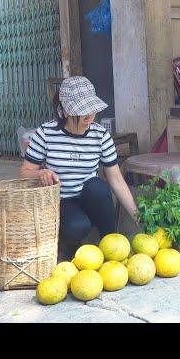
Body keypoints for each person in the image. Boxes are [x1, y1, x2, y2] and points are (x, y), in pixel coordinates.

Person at [19, 76, 139, 257]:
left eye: (91, 109)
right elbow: (24, 173)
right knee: (77, 226)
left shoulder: (101, 135)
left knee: (97, 186)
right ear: (65, 111)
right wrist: (41, 173)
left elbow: (116, 180)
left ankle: (113, 245)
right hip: (63, 201)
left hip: (90, 198)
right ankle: (68, 247)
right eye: (82, 111)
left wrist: (137, 215)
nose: (89, 116)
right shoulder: (45, 133)